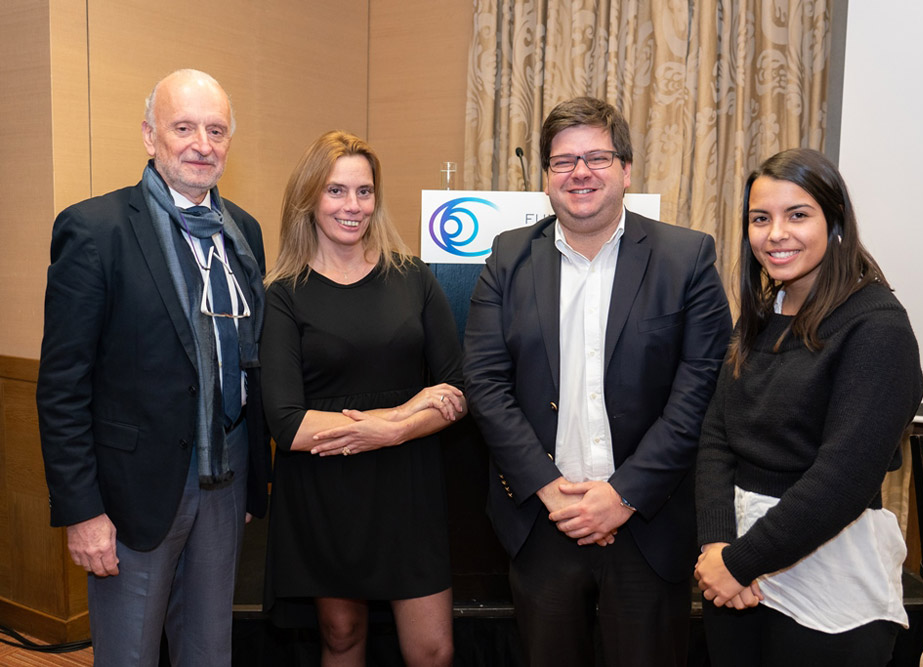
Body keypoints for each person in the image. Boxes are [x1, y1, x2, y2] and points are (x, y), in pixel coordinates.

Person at [462, 96, 732, 666]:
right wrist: (549, 489)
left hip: (647, 525)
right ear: (546, 177)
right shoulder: (508, 258)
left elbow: (699, 393)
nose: (579, 172)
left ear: (626, 170)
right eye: (563, 161)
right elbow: (485, 384)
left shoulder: (686, 258)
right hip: (543, 522)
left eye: (597, 158)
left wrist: (622, 495)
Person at [36, 69, 268, 666]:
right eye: (183, 128)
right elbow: (62, 387)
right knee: (130, 654)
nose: (202, 145)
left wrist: (252, 478)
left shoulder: (243, 232)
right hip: (132, 491)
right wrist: (83, 512)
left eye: (216, 130)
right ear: (149, 135)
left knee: (209, 650)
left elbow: (248, 360)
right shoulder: (95, 230)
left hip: (226, 472)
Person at [694, 147, 923, 666]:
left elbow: (844, 478)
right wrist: (715, 546)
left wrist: (739, 562)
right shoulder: (763, 312)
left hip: (829, 588)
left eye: (797, 215)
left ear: (835, 220)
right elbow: (716, 435)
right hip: (735, 578)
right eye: (760, 218)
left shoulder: (877, 327)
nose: (776, 234)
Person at [260, 130, 466, 666]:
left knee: (433, 650)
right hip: (327, 489)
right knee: (342, 636)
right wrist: (401, 413)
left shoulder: (413, 277)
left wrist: (396, 432)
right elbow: (288, 424)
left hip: (408, 486)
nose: (352, 206)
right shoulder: (283, 293)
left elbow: (457, 390)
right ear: (309, 197)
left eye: (364, 191)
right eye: (336, 191)